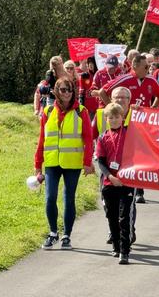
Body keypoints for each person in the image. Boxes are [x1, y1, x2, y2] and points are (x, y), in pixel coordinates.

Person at [34, 77, 94, 250]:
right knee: (50, 197)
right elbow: (42, 139)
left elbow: (88, 140)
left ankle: (67, 235)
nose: (66, 93)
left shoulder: (81, 111)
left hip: (72, 162)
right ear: (56, 91)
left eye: (69, 90)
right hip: (52, 161)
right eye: (62, 90)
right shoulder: (47, 111)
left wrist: (87, 162)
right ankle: (53, 233)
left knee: (69, 199)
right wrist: (38, 164)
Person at [99, 55, 159, 203]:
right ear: (135, 67)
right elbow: (103, 91)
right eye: (145, 67)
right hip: (121, 123)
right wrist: (113, 110)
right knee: (117, 155)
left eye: (149, 67)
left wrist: (151, 109)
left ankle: (138, 191)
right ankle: (110, 186)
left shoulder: (151, 81)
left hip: (139, 125)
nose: (148, 69)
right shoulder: (125, 79)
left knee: (138, 157)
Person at [96, 103, 134, 265]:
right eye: (110, 117)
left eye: (117, 117)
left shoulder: (131, 134)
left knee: (124, 217)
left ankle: (124, 251)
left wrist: (137, 109)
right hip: (109, 182)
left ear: (122, 118)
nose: (113, 120)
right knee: (111, 216)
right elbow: (101, 162)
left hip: (127, 182)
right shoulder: (103, 137)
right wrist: (110, 177)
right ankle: (116, 246)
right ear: (106, 119)